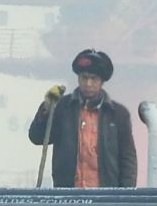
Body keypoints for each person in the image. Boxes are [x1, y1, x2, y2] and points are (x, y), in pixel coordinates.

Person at [27, 48, 137, 188]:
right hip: (68, 196)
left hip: (107, 198)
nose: (88, 83)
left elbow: (128, 159)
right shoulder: (62, 108)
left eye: (94, 79)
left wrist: (125, 195)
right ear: (78, 78)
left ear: (102, 81)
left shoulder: (118, 115)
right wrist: (47, 108)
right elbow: (37, 138)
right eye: (84, 77)